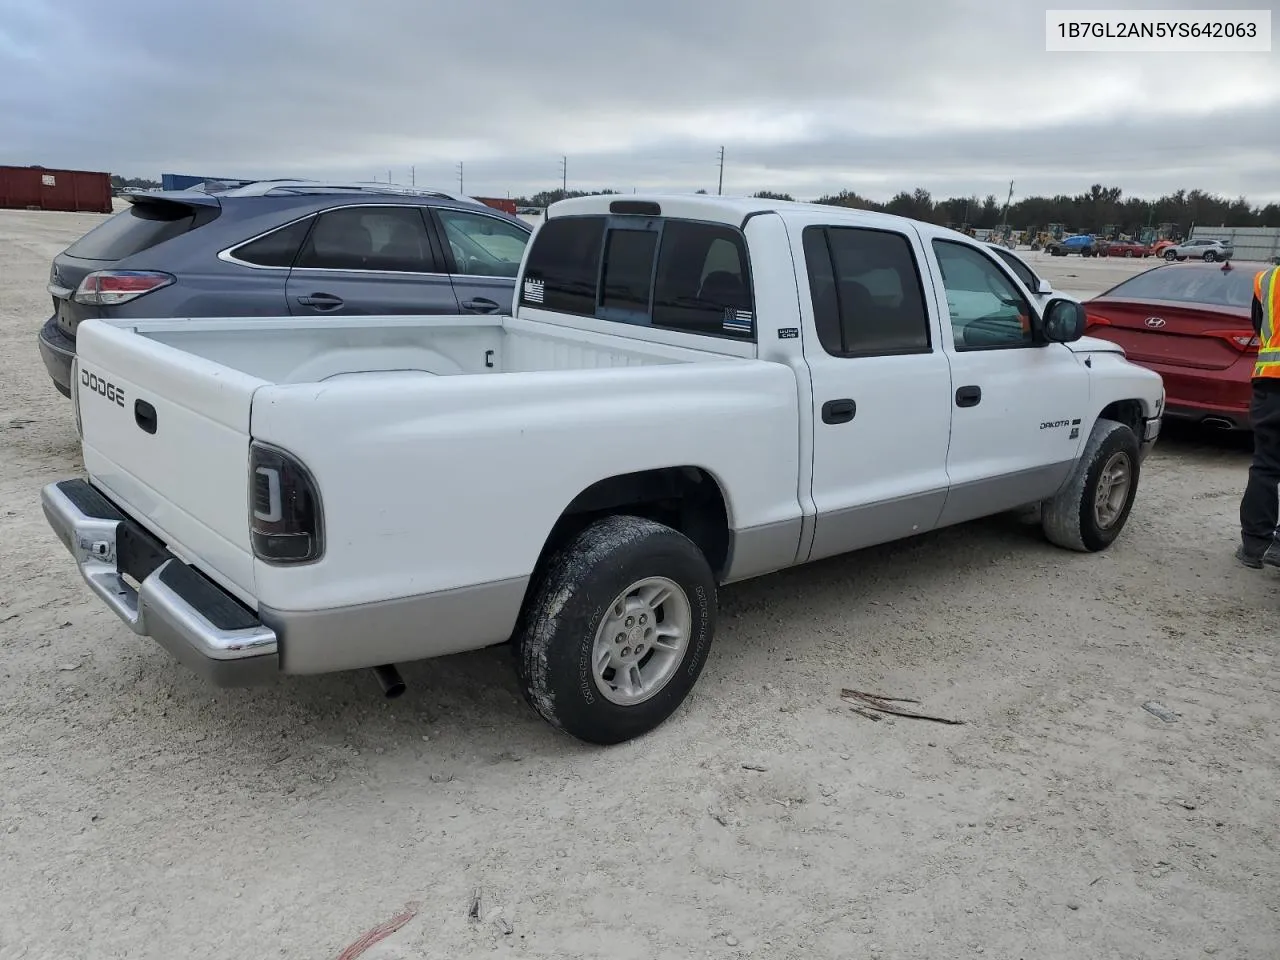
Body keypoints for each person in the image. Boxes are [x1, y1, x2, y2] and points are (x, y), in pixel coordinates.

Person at [1238, 263, 1280, 568]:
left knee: (1266, 465)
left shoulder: (1268, 279)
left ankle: (1255, 546)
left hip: (1272, 382)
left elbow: (1259, 324)